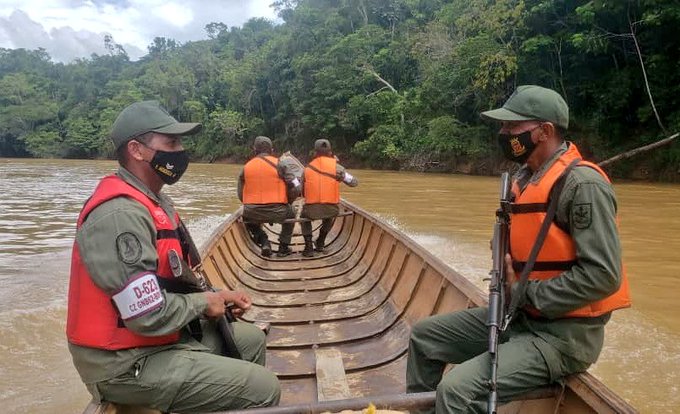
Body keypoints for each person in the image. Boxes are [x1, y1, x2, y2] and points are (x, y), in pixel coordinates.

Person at [406, 85, 631, 413]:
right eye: (503, 126)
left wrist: (527, 293)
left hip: (562, 336)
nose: (503, 133)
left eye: (512, 127)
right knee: (424, 337)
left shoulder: (583, 187)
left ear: (544, 131)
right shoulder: (524, 179)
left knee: (457, 391)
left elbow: (603, 276)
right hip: (519, 317)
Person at [66, 101, 280, 413]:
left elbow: (172, 281)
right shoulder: (120, 214)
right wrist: (204, 303)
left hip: (155, 340)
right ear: (137, 150)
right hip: (123, 363)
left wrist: (216, 295)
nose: (180, 152)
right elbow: (145, 314)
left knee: (250, 340)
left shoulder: (154, 201)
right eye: (171, 143)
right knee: (265, 388)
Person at [237, 136, 301, 257]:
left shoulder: (246, 167)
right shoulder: (281, 165)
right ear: (272, 150)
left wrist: (249, 205)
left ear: (254, 150)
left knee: (248, 220)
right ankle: (283, 247)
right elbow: (296, 186)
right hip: (278, 211)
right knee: (292, 213)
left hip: (252, 211)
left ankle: (264, 241)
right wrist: (289, 201)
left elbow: (240, 194)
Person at [300, 139, 358, 256]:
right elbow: (354, 182)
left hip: (311, 209)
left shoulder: (306, 170)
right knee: (330, 214)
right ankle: (321, 242)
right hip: (331, 209)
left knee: (303, 217)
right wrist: (337, 169)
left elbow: (302, 192)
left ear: (315, 153)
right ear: (330, 153)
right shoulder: (338, 168)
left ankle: (309, 246)